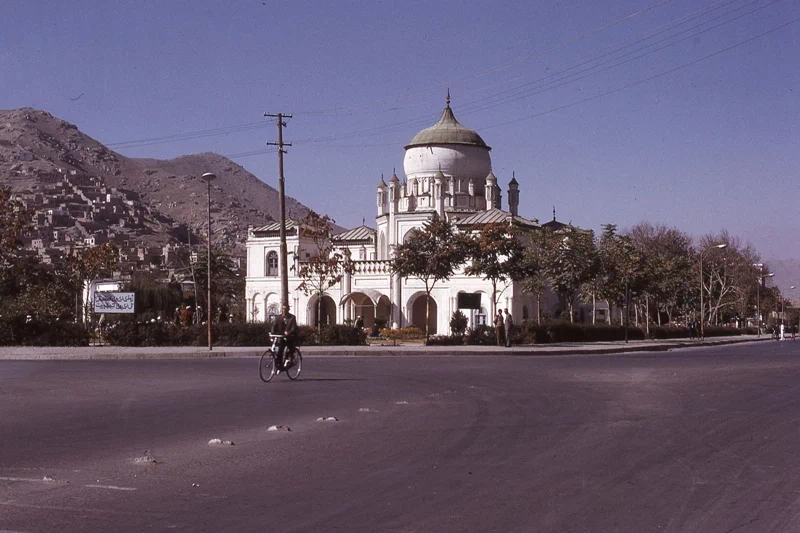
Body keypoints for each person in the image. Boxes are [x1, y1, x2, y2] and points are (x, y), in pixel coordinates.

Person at [271, 304, 298, 372]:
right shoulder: (278, 317)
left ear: (288, 310)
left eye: (285, 309)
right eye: (283, 309)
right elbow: (274, 326)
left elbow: (294, 327)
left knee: (289, 346)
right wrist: (272, 333)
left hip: (290, 336)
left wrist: (288, 333)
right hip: (282, 336)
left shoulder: (292, 317)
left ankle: (290, 359)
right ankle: (279, 366)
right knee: (280, 349)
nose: (284, 310)